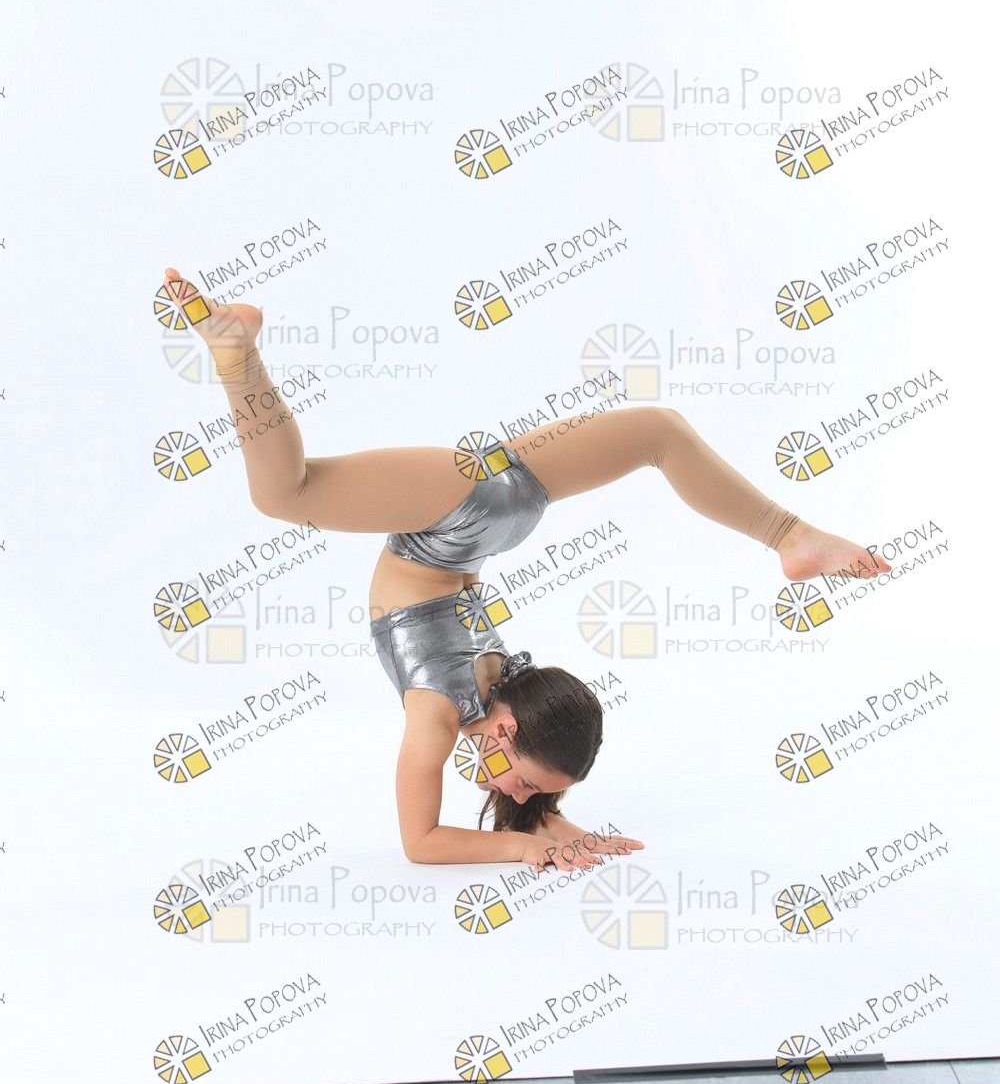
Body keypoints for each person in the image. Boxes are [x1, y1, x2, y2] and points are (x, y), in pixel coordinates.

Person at [160, 269, 889, 874]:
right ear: (506, 726)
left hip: (498, 514)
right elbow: (421, 844)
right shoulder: (437, 716)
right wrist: (524, 846)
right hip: (451, 518)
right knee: (285, 495)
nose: (516, 793)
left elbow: (513, 784)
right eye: (529, 783)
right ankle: (235, 352)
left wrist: (557, 828)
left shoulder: (504, 687)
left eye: (531, 795)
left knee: (660, 432)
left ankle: (791, 535)